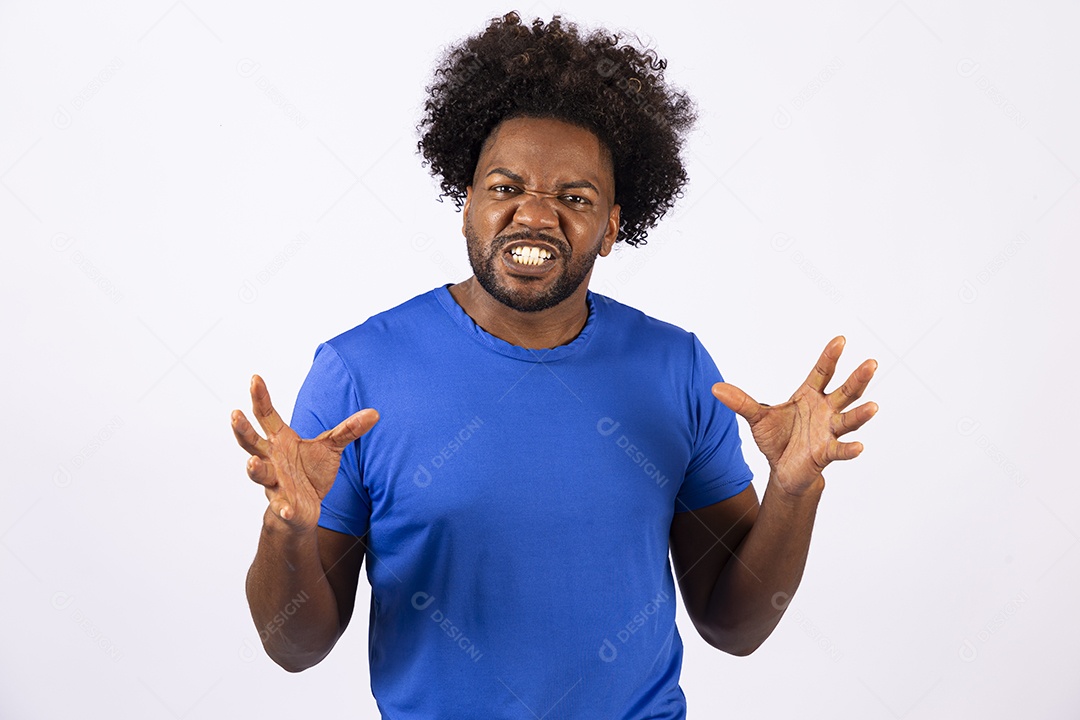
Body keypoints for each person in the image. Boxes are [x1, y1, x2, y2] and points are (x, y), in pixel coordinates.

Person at [231, 12, 878, 719]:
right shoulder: (358, 372)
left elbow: (735, 625)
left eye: (574, 198)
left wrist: (792, 490)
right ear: (467, 204)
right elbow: (294, 648)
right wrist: (286, 532)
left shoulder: (678, 369)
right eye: (506, 188)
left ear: (610, 228)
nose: (534, 216)